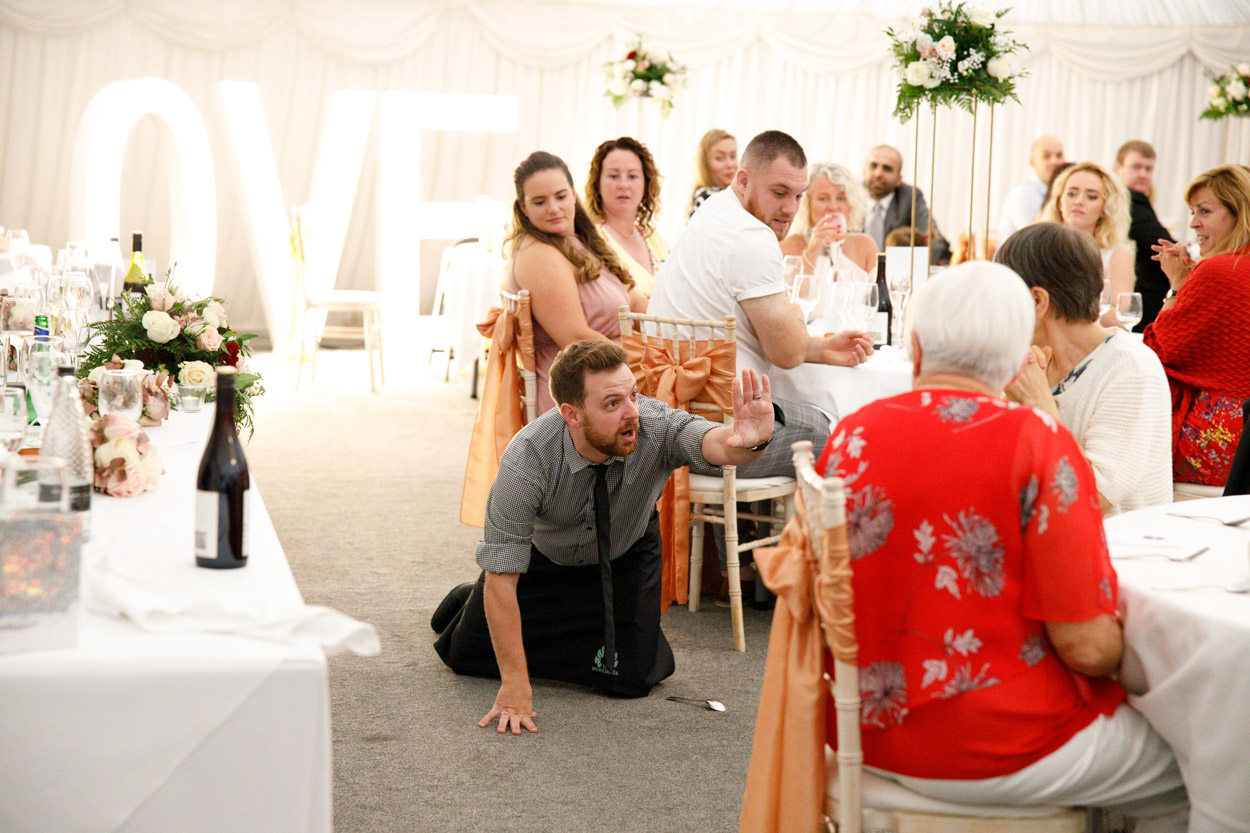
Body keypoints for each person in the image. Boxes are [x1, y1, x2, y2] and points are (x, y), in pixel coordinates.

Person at [816, 262, 1189, 831]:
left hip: (856, 727)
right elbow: (1088, 648)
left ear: (914, 347)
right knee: (1199, 767)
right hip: (996, 742)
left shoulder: (851, 433)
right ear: (1021, 361)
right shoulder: (1038, 443)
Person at [433, 340, 777, 734]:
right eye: (613, 404)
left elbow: (714, 444)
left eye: (632, 394)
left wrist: (749, 439)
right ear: (572, 414)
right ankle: (468, 599)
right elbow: (502, 574)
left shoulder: (654, 424)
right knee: (464, 656)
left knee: (631, 681)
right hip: (546, 563)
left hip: (625, 556)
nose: (633, 412)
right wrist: (514, 687)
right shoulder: (526, 458)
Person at [650, 130, 872, 601]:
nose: (790, 208)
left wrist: (818, 346)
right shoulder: (752, 238)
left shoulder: (712, 213)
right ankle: (817, 588)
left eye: (798, 195)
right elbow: (786, 352)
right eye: (779, 192)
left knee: (800, 409)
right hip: (722, 438)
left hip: (674, 421)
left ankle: (767, 575)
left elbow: (784, 342)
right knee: (843, 432)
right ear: (744, 179)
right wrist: (804, 341)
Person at [997, 222, 1173, 514]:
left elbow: (1091, 496)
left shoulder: (1131, 369)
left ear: (1038, 301)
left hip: (1121, 551)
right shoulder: (1036, 361)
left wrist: (1040, 403)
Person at [504, 150, 647, 413]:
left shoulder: (580, 240)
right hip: (584, 390)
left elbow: (634, 300)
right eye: (539, 202)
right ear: (523, 207)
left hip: (615, 374)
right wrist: (648, 361)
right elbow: (577, 338)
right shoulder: (537, 254)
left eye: (560, 197)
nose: (554, 208)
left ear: (573, 194)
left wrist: (676, 333)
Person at [1145, 164, 1250, 488]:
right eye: (1193, 212)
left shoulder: (1218, 270)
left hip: (1216, 439)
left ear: (1239, 213)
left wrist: (1177, 284)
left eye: (1204, 211)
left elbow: (1157, 350)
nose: (1193, 223)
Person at [1039, 162, 1133, 329]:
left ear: (1105, 207)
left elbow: (1121, 319)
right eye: (1072, 194)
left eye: (1091, 197)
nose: (1079, 202)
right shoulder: (1040, 248)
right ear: (1060, 202)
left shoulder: (1117, 256)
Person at [584, 137, 669, 296]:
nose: (624, 185)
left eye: (632, 176)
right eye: (614, 176)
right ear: (597, 183)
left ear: (646, 183)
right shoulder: (592, 240)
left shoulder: (651, 236)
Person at [1114, 140, 1174, 330]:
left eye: (1148, 169)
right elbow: (1164, 245)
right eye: (1136, 167)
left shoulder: (1130, 200)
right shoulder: (1131, 199)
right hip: (1142, 299)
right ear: (1117, 169)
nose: (1143, 174)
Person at [780, 162, 877, 278]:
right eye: (823, 199)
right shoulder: (786, 247)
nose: (833, 207)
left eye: (841, 198)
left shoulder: (865, 245)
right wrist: (812, 252)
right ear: (807, 203)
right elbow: (792, 295)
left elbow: (880, 293)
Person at [861, 145, 950, 264]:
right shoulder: (848, 195)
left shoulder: (909, 197)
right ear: (863, 172)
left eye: (887, 169)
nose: (878, 173)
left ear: (899, 179)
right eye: (873, 166)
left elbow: (934, 242)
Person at [998, 135, 1066, 242]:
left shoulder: (1061, 192)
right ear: (1032, 162)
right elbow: (1034, 240)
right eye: (1046, 156)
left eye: (1059, 155)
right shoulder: (1022, 194)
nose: (1055, 161)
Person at [688, 129, 737, 218]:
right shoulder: (707, 196)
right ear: (705, 163)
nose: (730, 164)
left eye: (733, 156)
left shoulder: (731, 195)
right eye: (719, 158)